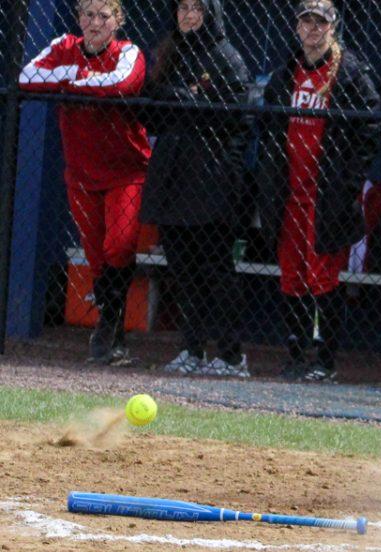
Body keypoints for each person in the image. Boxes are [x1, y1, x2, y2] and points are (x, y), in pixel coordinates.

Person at [19, 0, 150, 366]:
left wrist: (71, 79)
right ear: (79, 19)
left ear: (117, 21)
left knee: (119, 246)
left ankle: (110, 325)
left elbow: (123, 83)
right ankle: (113, 330)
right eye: (88, 15)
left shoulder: (129, 51)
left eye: (104, 16)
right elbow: (26, 76)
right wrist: (78, 76)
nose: (95, 23)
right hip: (81, 174)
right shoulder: (64, 46)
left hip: (126, 170)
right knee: (96, 257)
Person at [257, 0, 379, 382]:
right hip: (288, 192)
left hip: (327, 195)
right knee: (292, 276)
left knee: (324, 277)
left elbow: (370, 128)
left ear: (333, 27)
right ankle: (295, 354)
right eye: (306, 22)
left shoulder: (350, 72)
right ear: (296, 27)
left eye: (320, 22)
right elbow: (270, 133)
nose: (313, 29)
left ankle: (325, 359)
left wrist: (349, 181)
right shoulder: (284, 74)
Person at [140, 0, 251, 377]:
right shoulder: (168, 52)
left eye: (196, 9)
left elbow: (237, 120)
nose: (188, 16)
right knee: (183, 270)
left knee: (216, 269)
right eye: (183, 8)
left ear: (211, 13)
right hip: (172, 177)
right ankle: (192, 349)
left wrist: (193, 104)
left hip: (211, 178)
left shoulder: (227, 57)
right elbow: (150, 112)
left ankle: (232, 356)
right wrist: (172, 97)